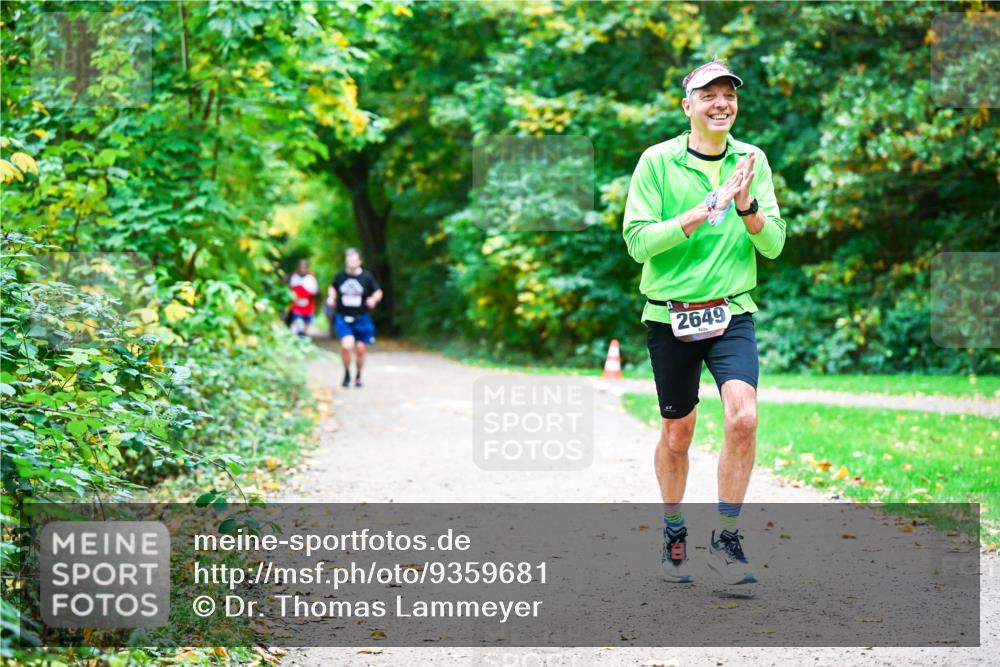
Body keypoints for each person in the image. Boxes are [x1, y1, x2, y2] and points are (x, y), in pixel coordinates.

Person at [621, 60, 786, 585]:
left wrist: (745, 205)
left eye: (728, 95)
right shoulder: (657, 162)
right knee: (678, 433)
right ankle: (674, 532)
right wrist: (701, 209)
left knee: (743, 417)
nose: (721, 103)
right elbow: (638, 242)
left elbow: (774, 243)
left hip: (732, 308)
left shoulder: (752, 159)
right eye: (708, 94)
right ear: (687, 105)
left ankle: (727, 541)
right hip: (671, 314)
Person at [328, 248, 382, 388]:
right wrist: (331, 298)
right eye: (349, 260)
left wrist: (373, 300)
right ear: (346, 261)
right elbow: (333, 288)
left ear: (360, 261)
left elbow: (378, 291)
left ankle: (358, 376)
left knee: (360, 349)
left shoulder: (366, 277)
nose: (352, 262)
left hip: (361, 317)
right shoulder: (340, 276)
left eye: (354, 260)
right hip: (344, 317)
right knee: (347, 345)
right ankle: (346, 373)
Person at [288, 260, 319, 337]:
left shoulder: (311, 278)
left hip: (308, 307)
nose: (302, 270)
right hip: (296, 307)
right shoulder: (294, 277)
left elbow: (315, 291)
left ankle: (303, 340)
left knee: (305, 329)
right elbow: (290, 291)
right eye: (301, 268)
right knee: (299, 326)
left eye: (304, 268)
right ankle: (300, 336)